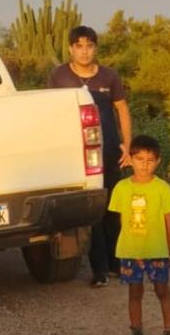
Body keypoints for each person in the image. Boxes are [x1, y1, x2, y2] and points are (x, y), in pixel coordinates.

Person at [48, 25, 133, 287]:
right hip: (78, 156)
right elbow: (53, 114)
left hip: (108, 152)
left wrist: (127, 146)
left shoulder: (109, 76)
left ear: (95, 48)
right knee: (92, 210)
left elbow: (121, 109)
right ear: (71, 49)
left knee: (112, 208)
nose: (84, 51)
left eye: (89, 46)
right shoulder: (59, 77)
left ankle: (117, 263)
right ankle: (100, 271)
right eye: (79, 46)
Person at [111, 135, 170, 335]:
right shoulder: (121, 188)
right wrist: (128, 246)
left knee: (162, 289)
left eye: (150, 160)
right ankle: (137, 334)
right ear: (130, 159)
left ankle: (169, 334)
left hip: (157, 249)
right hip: (131, 250)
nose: (145, 164)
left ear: (158, 161)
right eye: (140, 159)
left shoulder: (162, 188)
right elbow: (122, 220)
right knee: (134, 291)